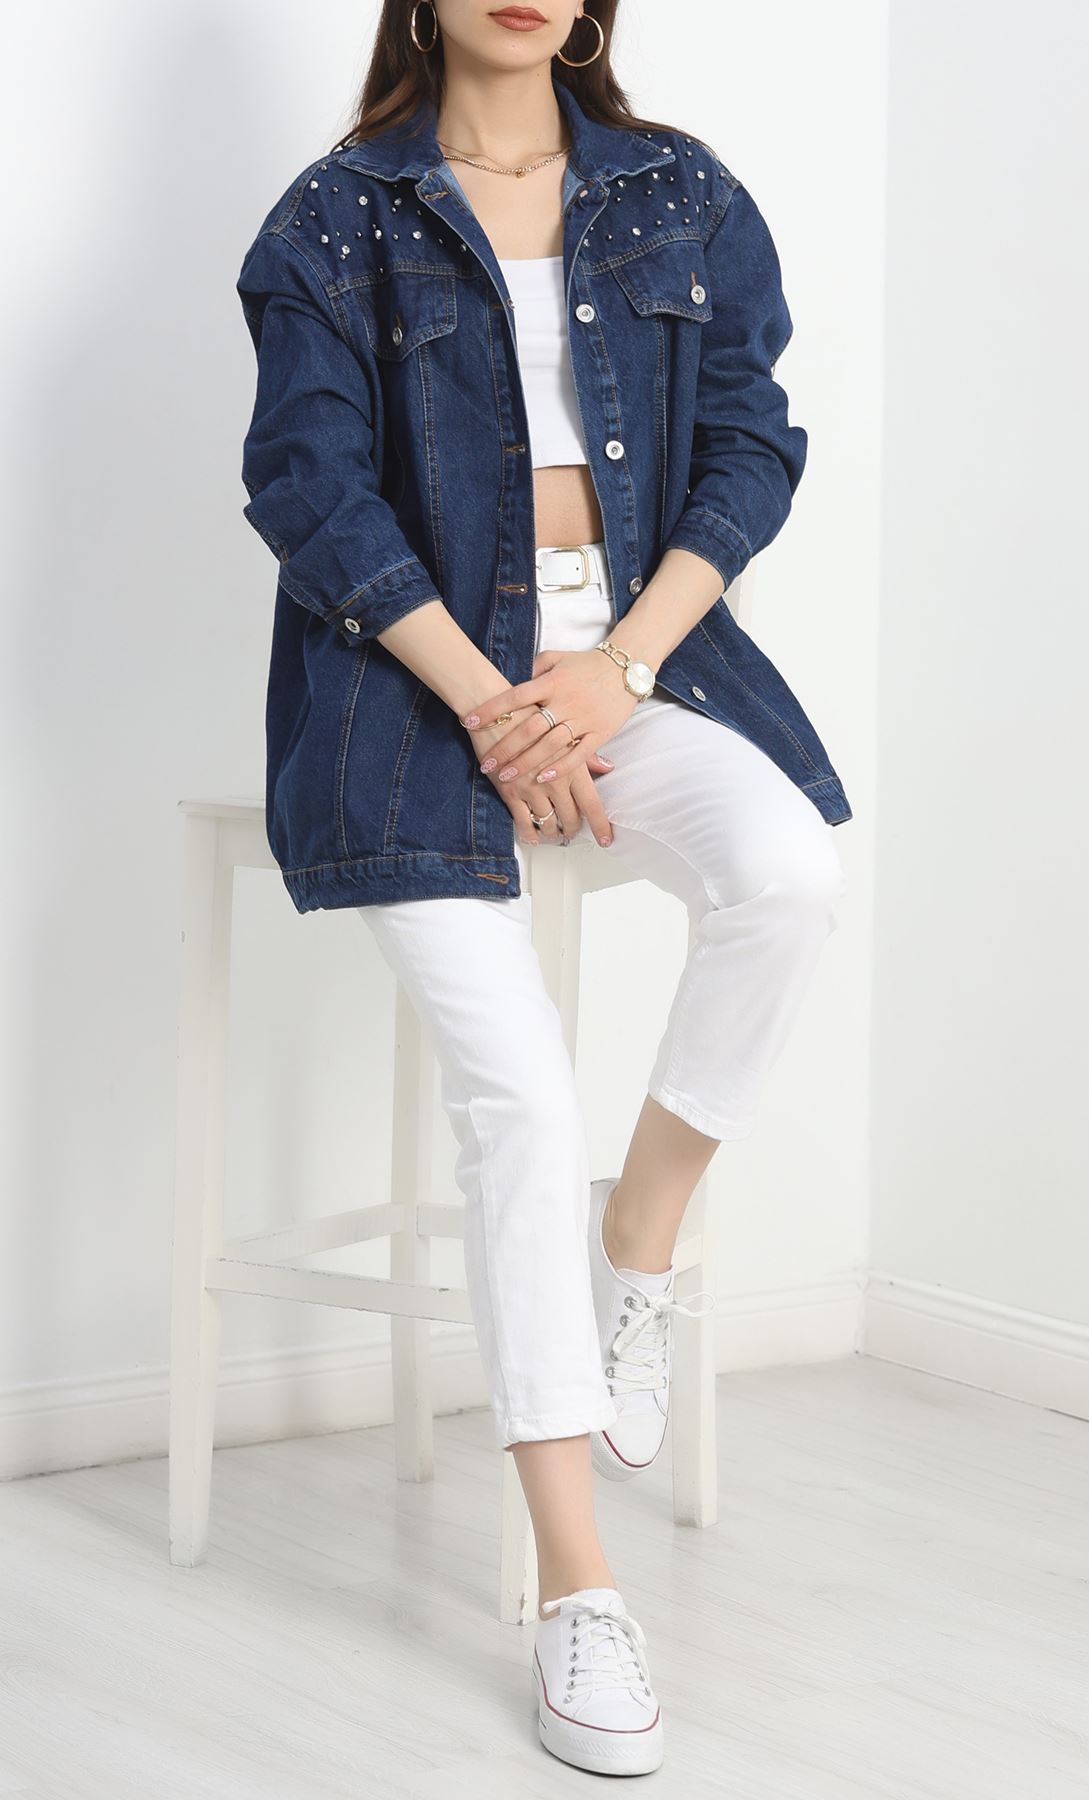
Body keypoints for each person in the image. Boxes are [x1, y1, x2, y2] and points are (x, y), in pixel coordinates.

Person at [236, 0, 853, 1776]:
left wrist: (618, 672)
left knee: (787, 876)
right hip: (414, 689)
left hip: (631, 668)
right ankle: (580, 1589)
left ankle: (632, 1246)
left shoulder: (680, 191)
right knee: (517, 1094)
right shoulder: (334, 214)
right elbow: (308, 488)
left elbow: (750, 445)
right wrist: (493, 709)